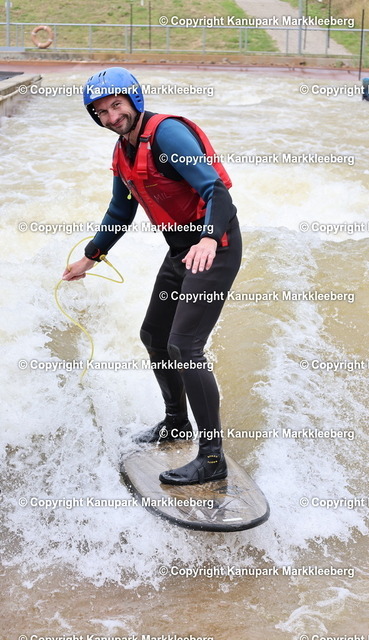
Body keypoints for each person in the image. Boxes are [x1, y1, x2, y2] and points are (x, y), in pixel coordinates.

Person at [62, 67, 242, 485]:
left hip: (214, 247)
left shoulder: (167, 135)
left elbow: (216, 191)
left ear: (134, 99)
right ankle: (176, 422)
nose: (112, 117)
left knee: (185, 346)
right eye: (102, 112)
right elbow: (120, 211)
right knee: (154, 336)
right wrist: (91, 257)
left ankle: (212, 458)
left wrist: (208, 239)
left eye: (117, 105)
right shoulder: (122, 151)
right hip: (181, 251)